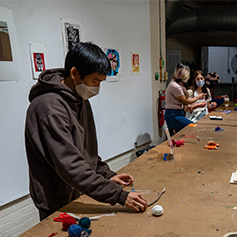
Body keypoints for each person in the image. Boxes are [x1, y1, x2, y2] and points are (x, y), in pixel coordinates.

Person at [25, 42, 147, 221]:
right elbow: (70, 165)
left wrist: (107, 175)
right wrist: (119, 196)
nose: (97, 87)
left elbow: (85, 152)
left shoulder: (80, 99)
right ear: (74, 73)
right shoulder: (49, 108)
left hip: (77, 191)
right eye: (95, 81)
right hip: (56, 200)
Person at [164, 64, 204, 135]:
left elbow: (182, 101)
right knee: (192, 126)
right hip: (173, 114)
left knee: (179, 136)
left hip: (177, 112)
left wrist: (188, 105)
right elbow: (185, 101)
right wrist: (198, 97)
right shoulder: (175, 86)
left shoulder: (178, 84)